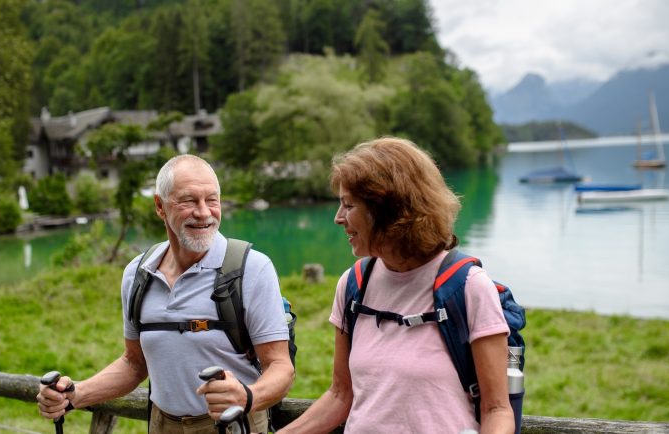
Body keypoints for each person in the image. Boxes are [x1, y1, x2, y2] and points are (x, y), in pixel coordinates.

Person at [36, 155, 294, 433]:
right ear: (160, 206)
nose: (204, 212)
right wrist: (76, 394)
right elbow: (134, 363)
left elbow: (280, 367)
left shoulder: (252, 268)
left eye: (212, 200)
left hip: (231, 425)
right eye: (189, 201)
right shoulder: (138, 273)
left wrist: (246, 397)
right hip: (160, 424)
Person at [277, 137, 513, 434]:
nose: (338, 218)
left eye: (349, 205)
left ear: (390, 211)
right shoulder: (353, 284)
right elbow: (340, 394)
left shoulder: (468, 287)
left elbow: (497, 409)